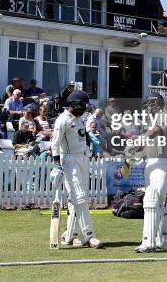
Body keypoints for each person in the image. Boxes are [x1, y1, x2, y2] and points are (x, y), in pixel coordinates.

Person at [122, 93, 167, 253]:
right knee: (157, 203)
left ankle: (149, 243)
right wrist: (132, 152)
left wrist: (139, 138)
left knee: (151, 200)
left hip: (161, 163)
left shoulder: (165, 116)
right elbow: (144, 145)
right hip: (151, 163)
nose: (147, 108)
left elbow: (153, 133)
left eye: (149, 105)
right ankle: (162, 240)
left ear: (157, 103)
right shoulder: (150, 122)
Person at [50, 90, 101, 248]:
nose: (85, 108)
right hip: (69, 160)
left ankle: (69, 235)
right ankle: (89, 236)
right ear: (74, 104)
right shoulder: (62, 120)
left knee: (77, 199)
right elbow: (55, 144)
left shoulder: (79, 119)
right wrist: (57, 165)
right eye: (83, 105)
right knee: (79, 197)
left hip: (83, 159)